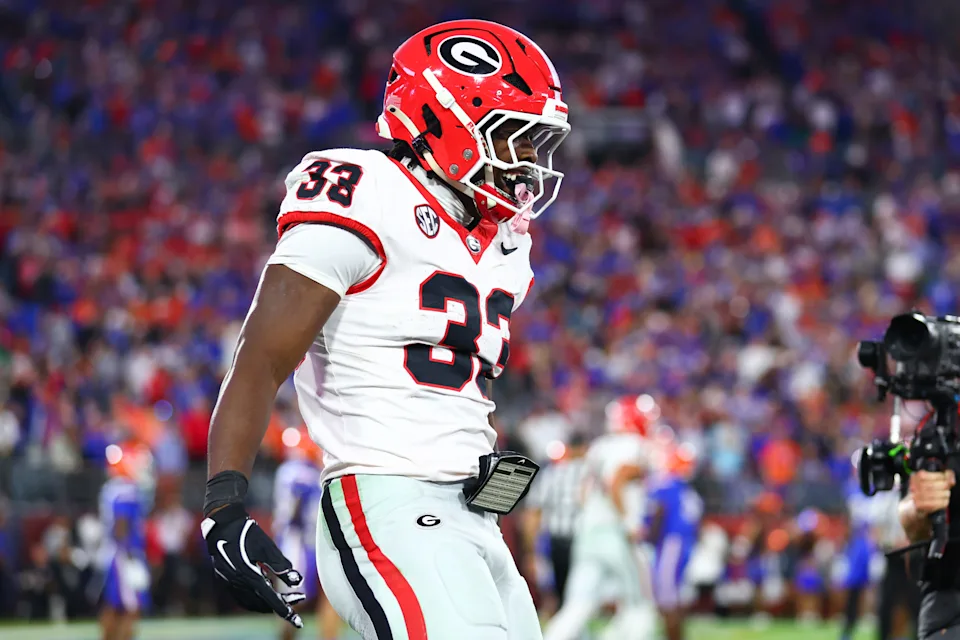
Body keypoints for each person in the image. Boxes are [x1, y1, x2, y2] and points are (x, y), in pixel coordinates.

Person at [199, 18, 570, 638]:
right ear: (445, 122)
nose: (529, 161)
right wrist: (223, 504)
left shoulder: (503, 242)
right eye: (515, 136)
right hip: (385, 501)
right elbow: (261, 356)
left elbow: (452, 381)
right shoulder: (366, 190)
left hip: (474, 513)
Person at [543, 396, 657, 640]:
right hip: (616, 532)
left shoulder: (598, 447)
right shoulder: (634, 445)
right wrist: (630, 523)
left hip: (588, 532)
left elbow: (582, 494)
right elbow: (616, 480)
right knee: (638, 604)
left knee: (578, 605)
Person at [272, 427, 340, 640]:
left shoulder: (286, 470)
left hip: (293, 540)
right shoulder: (304, 472)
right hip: (304, 540)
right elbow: (297, 508)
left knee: (292, 603)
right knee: (328, 597)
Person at [524, 432, 589, 608]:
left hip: (557, 540)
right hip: (585, 540)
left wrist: (531, 551)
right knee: (582, 594)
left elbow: (533, 512)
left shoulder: (552, 473)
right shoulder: (590, 473)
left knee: (561, 594)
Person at [97, 441, 154, 640]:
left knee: (115, 606)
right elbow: (121, 525)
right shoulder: (126, 490)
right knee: (131, 608)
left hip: (114, 553)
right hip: (124, 554)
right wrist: (129, 554)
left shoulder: (113, 488)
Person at [646, 444, 702, 640]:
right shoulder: (689, 492)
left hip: (670, 543)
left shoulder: (669, 486)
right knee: (672, 596)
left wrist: (648, 536)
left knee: (666, 597)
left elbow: (659, 513)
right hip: (684, 545)